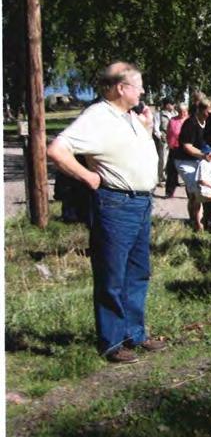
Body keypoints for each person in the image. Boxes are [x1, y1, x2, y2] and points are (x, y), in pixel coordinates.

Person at [46, 62, 166, 364]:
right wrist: (87, 177)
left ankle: (134, 333)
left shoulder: (127, 117)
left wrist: (147, 129)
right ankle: (112, 341)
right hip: (116, 204)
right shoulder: (97, 116)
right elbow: (57, 149)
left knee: (138, 273)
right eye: (138, 85)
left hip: (140, 202)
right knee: (112, 274)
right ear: (121, 88)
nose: (142, 90)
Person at [174, 95, 211, 231]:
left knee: (197, 194)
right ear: (201, 109)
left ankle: (196, 222)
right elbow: (187, 146)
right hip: (185, 161)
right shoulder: (190, 123)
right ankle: (197, 224)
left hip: (200, 160)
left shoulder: (208, 123)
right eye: (209, 112)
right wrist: (204, 155)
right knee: (195, 192)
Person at [164, 103, 189, 197]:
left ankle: (190, 193)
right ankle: (169, 192)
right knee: (172, 171)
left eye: (185, 111)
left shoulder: (190, 120)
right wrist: (169, 144)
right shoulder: (172, 120)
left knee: (187, 172)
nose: (183, 113)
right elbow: (168, 133)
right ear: (178, 111)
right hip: (174, 147)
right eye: (181, 111)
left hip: (187, 148)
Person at [152, 99, 175, 184]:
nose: (173, 106)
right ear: (166, 105)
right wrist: (160, 136)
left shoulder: (174, 114)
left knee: (172, 160)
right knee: (163, 159)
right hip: (164, 139)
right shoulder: (158, 114)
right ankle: (161, 178)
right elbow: (156, 128)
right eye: (171, 104)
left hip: (174, 140)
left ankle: (171, 178)